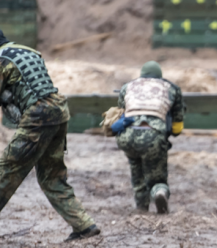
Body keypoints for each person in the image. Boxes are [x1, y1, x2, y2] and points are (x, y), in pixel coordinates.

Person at [0, 29, 100, 242]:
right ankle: (84, 225)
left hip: (38, 115)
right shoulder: (27, 51)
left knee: (6, 170)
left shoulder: (1, 59)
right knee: (51, 176)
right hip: (59, 110)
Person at [115, 61, 184, 214]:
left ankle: (141, 207)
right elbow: (177, 125)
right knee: (156, 176)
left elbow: (120, 113)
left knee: (136, 168)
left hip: (127, 135)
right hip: (153, 134)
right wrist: (169, 133)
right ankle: (159, 191)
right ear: (160, 76)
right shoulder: (171, 88)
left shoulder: (127, 87)